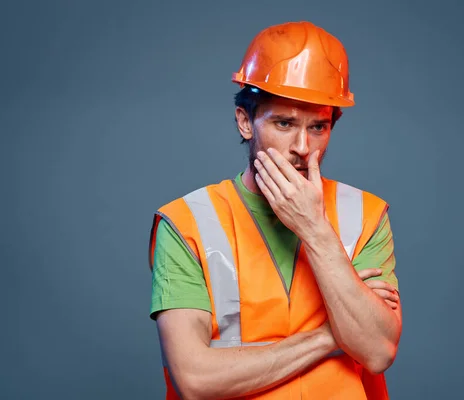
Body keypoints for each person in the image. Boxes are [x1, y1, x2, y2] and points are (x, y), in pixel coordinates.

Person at [148, 21, 402, 399]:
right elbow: (196, 380)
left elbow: (378, 351)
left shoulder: (364, 214)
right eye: (284, 123)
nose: (302, 146)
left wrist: (315, 228)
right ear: (246, 121)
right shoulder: (187, 224)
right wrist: (332, 335)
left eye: (318, 127)